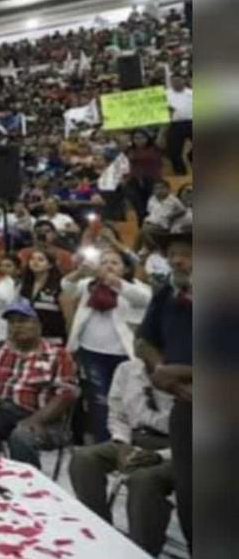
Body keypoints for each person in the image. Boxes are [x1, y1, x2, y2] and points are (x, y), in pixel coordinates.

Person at [67, 358, 175, 557]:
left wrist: (159, 456)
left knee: (143, 480)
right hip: (135, 438)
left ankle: (142, 551)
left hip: (181, 449)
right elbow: (117, 414)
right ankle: (101, 533)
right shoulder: (128, 369)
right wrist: (122, 443)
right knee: (84, 459)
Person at [0, 299, 79, 468]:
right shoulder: (0, 349)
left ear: (38, 325)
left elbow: (65, 396)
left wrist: (34, 420)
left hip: (46, 419)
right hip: (4, 411)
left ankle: (28, 488)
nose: (17, 326)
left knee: (21, 435)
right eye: (12, 322)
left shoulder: (58, 355)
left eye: (23, 321)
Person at [135, 232, 192, 549]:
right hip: (186, 408)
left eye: (186, 253)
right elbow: (144, 341)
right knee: (190, 493)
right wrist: (162, 372)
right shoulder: (166, 296)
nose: (176, 259)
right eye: (172, 253)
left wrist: (181, 373)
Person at [62, 248, 152, 442]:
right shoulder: (89, 285)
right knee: (99, 400)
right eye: (104, 262)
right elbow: (66, 287)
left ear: (125, 268)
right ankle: (102, 443)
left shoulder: (136, 287)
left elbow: (143, 299)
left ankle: (124, 442)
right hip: (91, 351)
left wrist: (113, 281)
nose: (108, 266)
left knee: (123, 401)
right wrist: (79, 272)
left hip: (123, 355)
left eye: (114, 262)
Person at [20, 249, 66, 340]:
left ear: (50, 265)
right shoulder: (24, 285)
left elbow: (67, 316)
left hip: (52, 339)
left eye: (41, 260)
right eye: (32, 259)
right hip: (28, 338)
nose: (35, 262)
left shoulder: (60, 286)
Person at [163, 73, 192, 176]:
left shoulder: (191, 93)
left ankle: (191, 156)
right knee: (174, 151)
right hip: (175, 124)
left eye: (178, 80)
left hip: (191, 122)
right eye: (173, 81)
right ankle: (180, 172)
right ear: (170, 82)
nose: (176, 83)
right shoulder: (165, 94)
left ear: (183, 81)